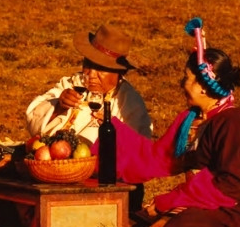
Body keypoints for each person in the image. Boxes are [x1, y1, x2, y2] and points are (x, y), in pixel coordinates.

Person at [114, 17, 240, 227]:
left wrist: (170, 200)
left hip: (232, 209)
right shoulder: (190, 119)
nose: (182, 84)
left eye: (187, 78)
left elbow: (229, 183)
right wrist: (111, 138)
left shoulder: (231, 123)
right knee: (139, 225)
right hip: (200, 200)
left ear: (203, 86)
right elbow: (160, 158)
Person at [25, 22, 153, 143]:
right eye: (88, 65)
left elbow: (140, 147)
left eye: (101, 69)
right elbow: (33, 119)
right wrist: (58, 107)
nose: (90, 75)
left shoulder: (129, 103)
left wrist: (114, 130)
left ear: (120, 73)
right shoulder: (73, 83)